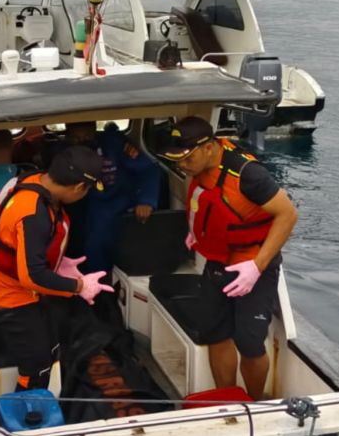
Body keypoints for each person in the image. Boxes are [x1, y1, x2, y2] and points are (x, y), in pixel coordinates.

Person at [157, 116, 298, 399]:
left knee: (249, 342)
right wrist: (195, 231)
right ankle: (228, 398)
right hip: (218, 260)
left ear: (209, 147)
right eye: (177, 160)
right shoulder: (197, 168)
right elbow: (205, 202)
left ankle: (254, 402)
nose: (181, 165)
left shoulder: (248, 175)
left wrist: (257, 267)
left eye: (186, 158)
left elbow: (288, 214)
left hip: (252, 264)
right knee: (214, 332)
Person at [0, 146, 114, 391]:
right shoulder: (34, 213)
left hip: (15, 287)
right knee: (36, 368)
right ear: (80, 188)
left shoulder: (32, 179)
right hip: (9, 298)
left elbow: (22, 249)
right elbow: (33, 276)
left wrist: (59, 264)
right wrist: (79, 286)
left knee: (49, 349)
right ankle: (29, 416)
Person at [63, 121, 161, 276]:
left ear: (94, 129)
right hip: (82, 207)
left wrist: (146, 200)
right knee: (90, 246)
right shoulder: (63, 153)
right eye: (75, 138)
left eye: (87, 136)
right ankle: (96, 284)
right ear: (67, 136)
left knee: (107, 244)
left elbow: (148, 170)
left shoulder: (114, 145)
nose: (82, 141)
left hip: (118, 204)